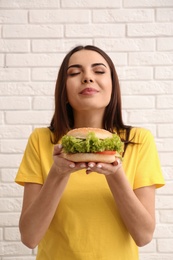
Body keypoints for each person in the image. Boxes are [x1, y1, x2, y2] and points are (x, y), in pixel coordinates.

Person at [15, 45, 165, 260]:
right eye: (75, 73)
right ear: (63, 90)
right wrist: (57, 173)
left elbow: (143, 235)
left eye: (99, 71)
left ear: (112, 86)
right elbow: (29, 237)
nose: (87, 78)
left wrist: (115, 174)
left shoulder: (139, 141)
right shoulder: (41, 140)